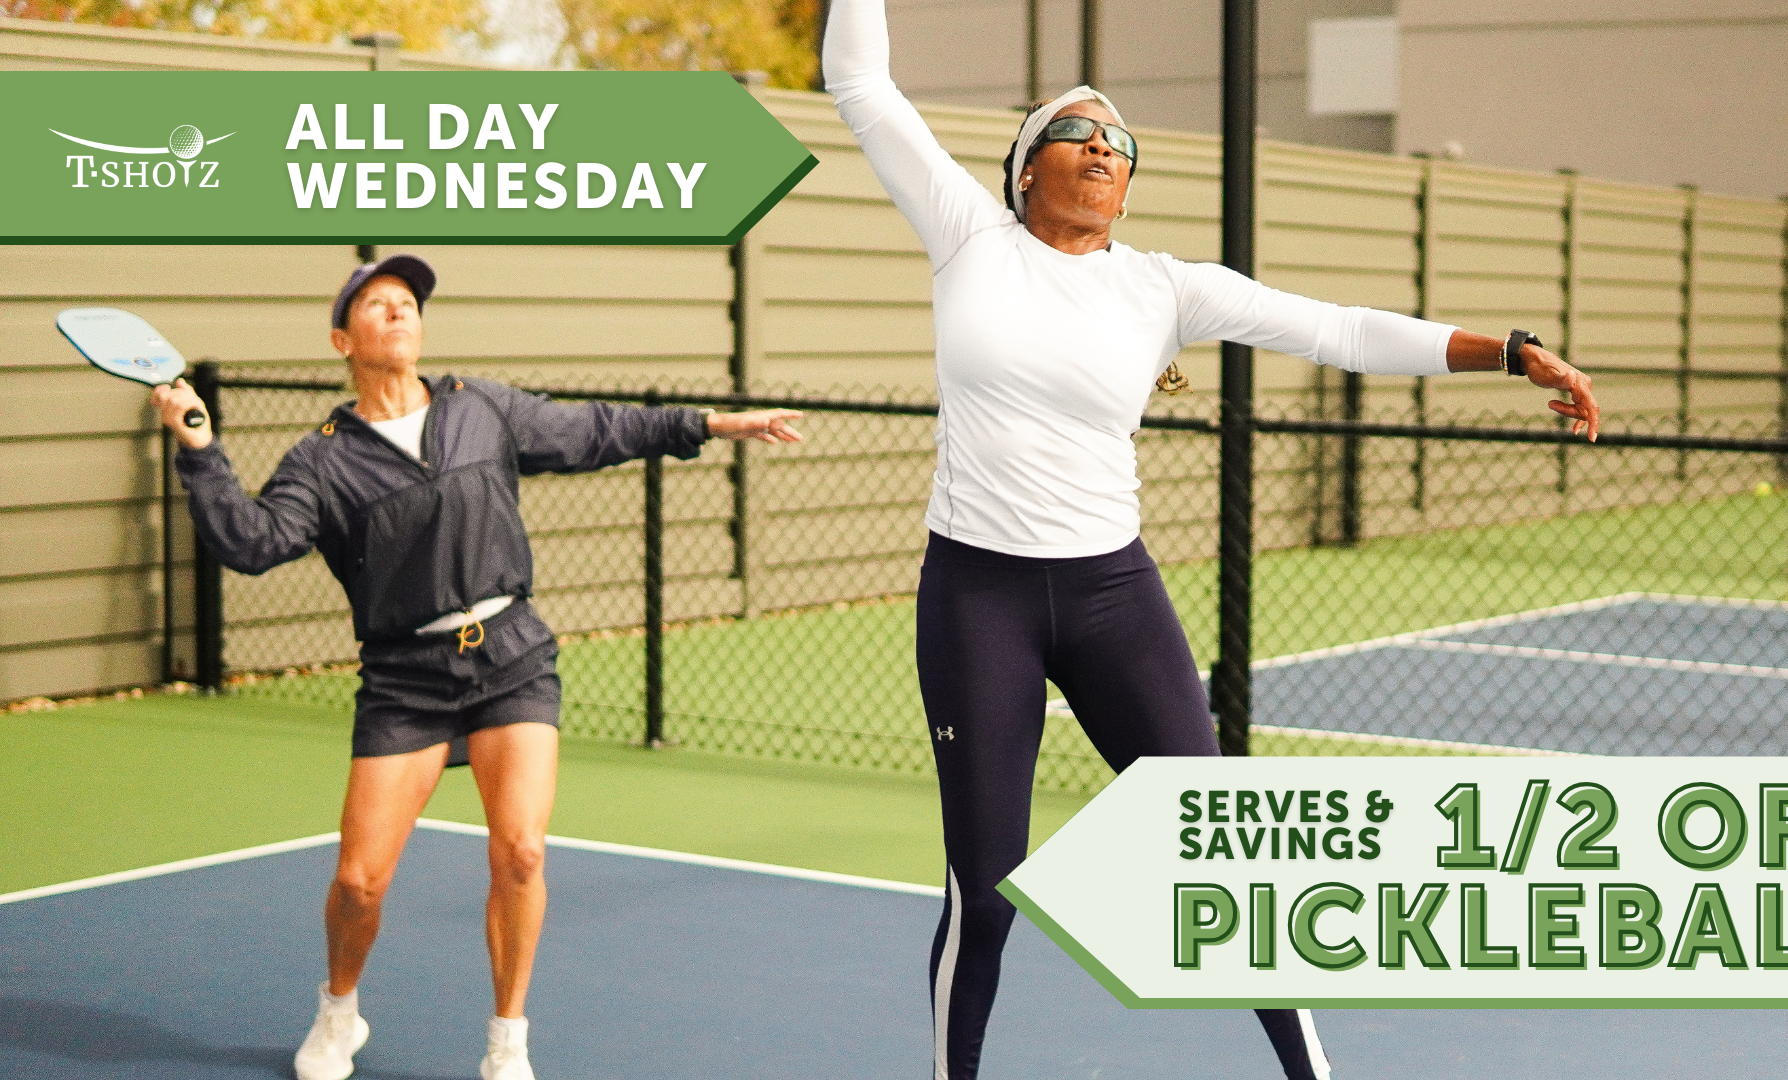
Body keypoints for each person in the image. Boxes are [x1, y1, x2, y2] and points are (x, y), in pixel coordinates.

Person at [822, 2, 1601, 1077]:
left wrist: (1511, 350)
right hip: (977, 599)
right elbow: (860, 81)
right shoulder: (967, 234)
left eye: (1121, 142)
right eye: (1078, 130)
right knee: (987, 888)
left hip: (1112, 597)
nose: (1105, 145)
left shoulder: (1163, 287)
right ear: (1025, 167)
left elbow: (1343, 331)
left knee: (1229, 857)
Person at [149, 254, 802, 1080]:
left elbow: (597, 430)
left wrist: (711, 423)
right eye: (377, 304)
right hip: (405, 679)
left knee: (521, 852)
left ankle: (507, 1042)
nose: (399, 312)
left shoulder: (479, 407)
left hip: (511, 658)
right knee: (358, 883)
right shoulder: (321, 461)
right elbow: (252, 543)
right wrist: (199, 449)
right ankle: (339, 1011)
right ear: (342, 340)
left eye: (408, 302)